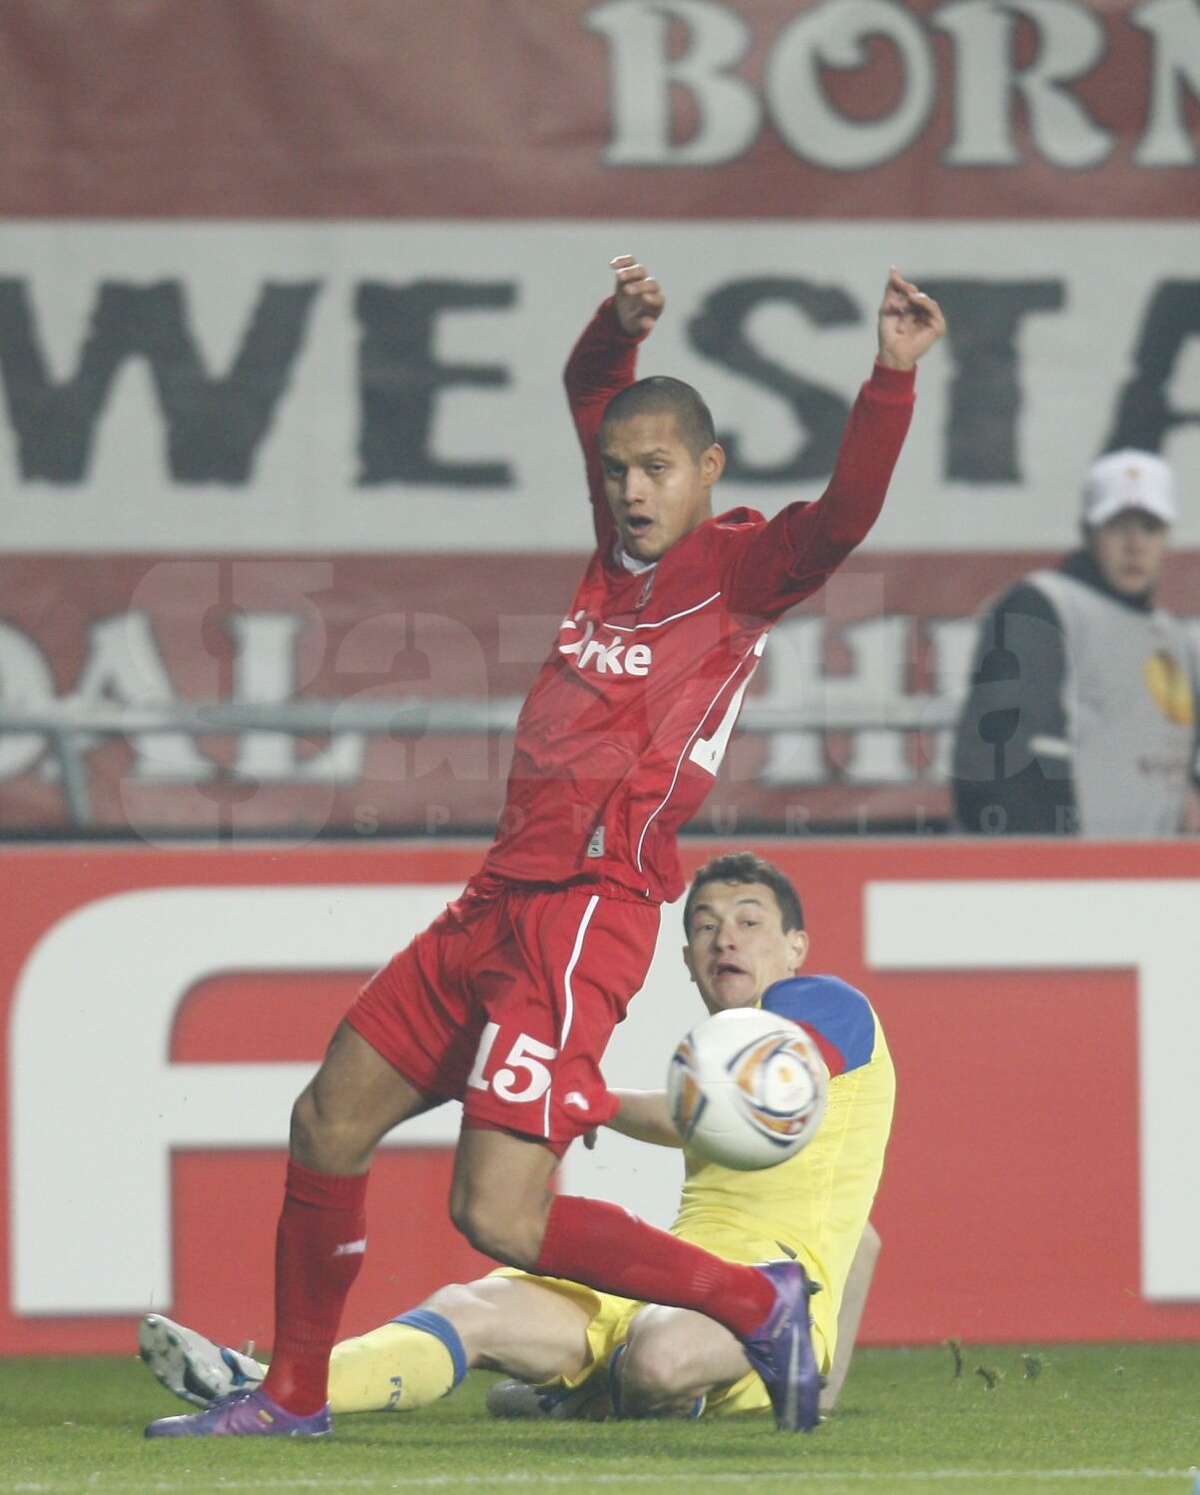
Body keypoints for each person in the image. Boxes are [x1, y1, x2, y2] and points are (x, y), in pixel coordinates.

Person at [144, 255, 942, 1440]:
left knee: (500, 1216)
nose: (630, 487)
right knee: (326, 1121)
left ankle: (753, 1303)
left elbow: (847, 515)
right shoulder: (614, 559)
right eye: (618, 469)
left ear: (708, 472)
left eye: (656, 468)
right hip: (494, 900)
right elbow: (588, 391)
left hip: (584, 912)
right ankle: (294, 1394)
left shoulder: (740, 574)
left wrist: (889, 376)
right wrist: (611, 330)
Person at [142, 853, 894, 1428]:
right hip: (673, 1279)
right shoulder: (715, 1052)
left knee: (662, 1355)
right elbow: (862, 1240)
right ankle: (273, 1383)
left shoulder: (825, 1008)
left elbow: (741, 1103)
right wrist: (828, 1382)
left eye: (750, 921)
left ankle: (603, 1394)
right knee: (471, 1307)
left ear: (796, 945)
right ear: (686, 958)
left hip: (747, 1304)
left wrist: (584, 1101)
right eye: (703, 925)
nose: (724, 938)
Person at [952, 448, 1199, 835]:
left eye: (1150, 528)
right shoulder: (1043, 606)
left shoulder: (1174, 637)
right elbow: (992, 760)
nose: (1135, 545)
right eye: (1118, 526)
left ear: (1167, 536)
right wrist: (1040, 872)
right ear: (1087, 531)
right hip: (1070, 877)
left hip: (1153, 880)